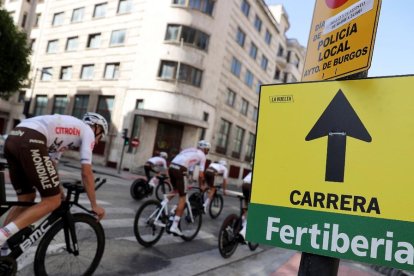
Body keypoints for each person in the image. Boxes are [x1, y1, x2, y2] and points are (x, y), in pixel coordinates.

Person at [0, 112, 107, 248]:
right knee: (52, 200)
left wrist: (59, 188)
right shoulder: (88, 131)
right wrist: (94, 205)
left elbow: (51, 163)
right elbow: (86, 172)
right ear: (97, 127)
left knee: (26, 197)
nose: (97, 141)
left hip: (14, 137)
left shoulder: (69, 131)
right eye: (100, 136)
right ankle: (1, 236)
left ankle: (3, 248)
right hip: (32, 139)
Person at [167, 140, 210, 236]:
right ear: (205, 148)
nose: (208, 151)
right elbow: (201, 174)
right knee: (183, 196)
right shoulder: (202, 155)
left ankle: (162, 204)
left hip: (172, 166)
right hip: (181, 169)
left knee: (175, 190)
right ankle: (174, 226)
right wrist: (201, 186)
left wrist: (189, 180)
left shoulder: (189, 150)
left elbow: (189, 170)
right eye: (207, 149)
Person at [239, 171, 252, 240]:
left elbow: (244, 180)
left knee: (246, 203)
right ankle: (244, 231)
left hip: (244, 185)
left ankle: (242, 218)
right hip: (250, 186)